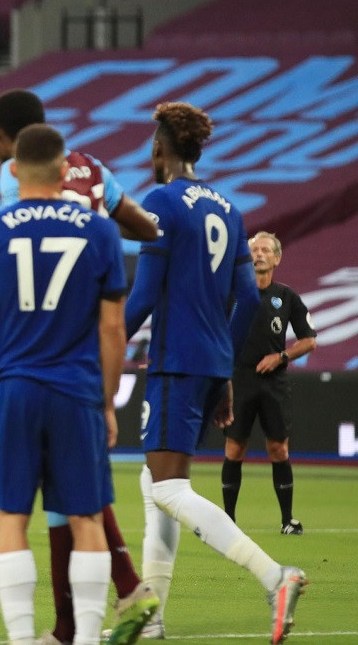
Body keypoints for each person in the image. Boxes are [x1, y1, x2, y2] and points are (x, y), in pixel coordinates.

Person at [0, 90, 159, 645]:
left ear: (14, 168)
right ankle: (84, 637)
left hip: (14, 388)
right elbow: (113, 330)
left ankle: (23, 639)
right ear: (66, 171)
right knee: (86, 517)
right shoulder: (100, 232)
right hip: (77, 388)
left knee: (12, 518)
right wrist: (107, 402)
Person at [125, 102, 307, 643]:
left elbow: (143, 296)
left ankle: (275, 575)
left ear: (160, 148)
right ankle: (154, 619)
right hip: (210, 362)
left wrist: (100, 345)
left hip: (175, 362)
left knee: (168, 487)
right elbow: (248, 298)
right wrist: (223, 367)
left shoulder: (161, 201)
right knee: (156, 482)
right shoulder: (228, 208)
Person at [221, 231, 317, 534]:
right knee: (234, 449)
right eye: (254, 250)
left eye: (265, 250)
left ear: (277, 258)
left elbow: (309, 340)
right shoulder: (232, 293)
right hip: (239, 379)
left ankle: (287, 520)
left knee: (278, 449)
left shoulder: (287, 297)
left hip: (274, 382)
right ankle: (228, 521)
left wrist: (281, 357)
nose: (259, 254)